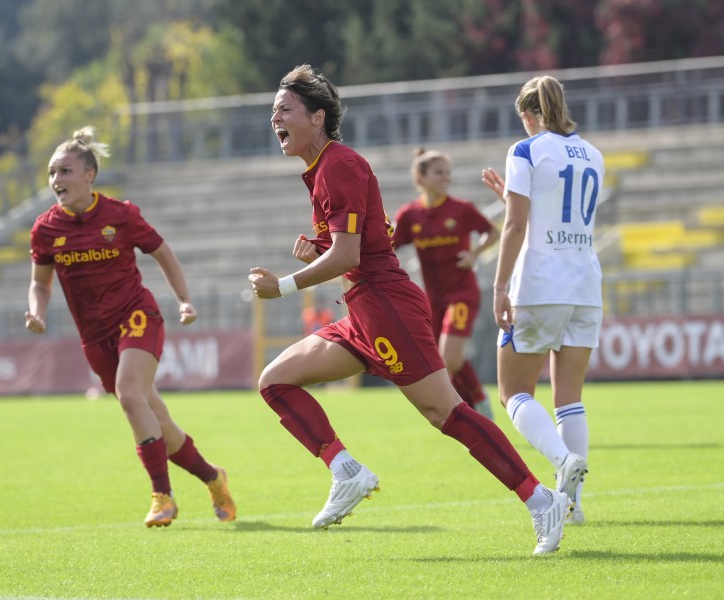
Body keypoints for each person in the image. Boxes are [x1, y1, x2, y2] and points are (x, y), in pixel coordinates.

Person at [249, 64, 571, 555]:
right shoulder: (320, 170)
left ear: (317, 118)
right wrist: (320, 257)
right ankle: (345, 470)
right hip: (362, 307)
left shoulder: (339, 164)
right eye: (274, 109)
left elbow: (352, 255)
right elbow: (360, 248)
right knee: (275, 381)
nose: (275, 117)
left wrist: (287, 285)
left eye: (284, 109)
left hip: (384, 305)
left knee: (445, 412)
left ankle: (539, 497)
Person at [25, 126, 236, 528]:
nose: (56, 180)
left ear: (89, 174)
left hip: (137, 316)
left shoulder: (120, 215)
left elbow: (163, 253)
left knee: (128, 395)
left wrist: (184, 300)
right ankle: (213, 477)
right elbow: (39, 282)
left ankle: (163, 497)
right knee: (156, 418)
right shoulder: (45, 229)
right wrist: (36, 310)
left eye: (65, 171)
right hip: (94, 336)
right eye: (52, 172)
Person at [483, 75, 601, 525]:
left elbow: (514, 227)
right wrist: (511, 197)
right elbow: (558, 216)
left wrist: (499, 287)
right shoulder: (593, 153)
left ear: (529, 115)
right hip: (585, 287)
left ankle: (561, 462)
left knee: (514, 392)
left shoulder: (526, 150)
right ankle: (573, 504)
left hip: (539, 285)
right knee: (569, 398)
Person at [392, 148, 500, 420]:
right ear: (421, 176)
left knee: (449, 357)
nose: (446, 178)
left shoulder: (460, 209)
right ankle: (475, 405)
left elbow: (493, 231)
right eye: (439, 173)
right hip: (431, 300)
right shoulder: (410, 215)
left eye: (448, 173)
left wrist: (474, 253)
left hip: (462, 293)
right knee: (443, 360)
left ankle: (473, 404)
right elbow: (389, 245)